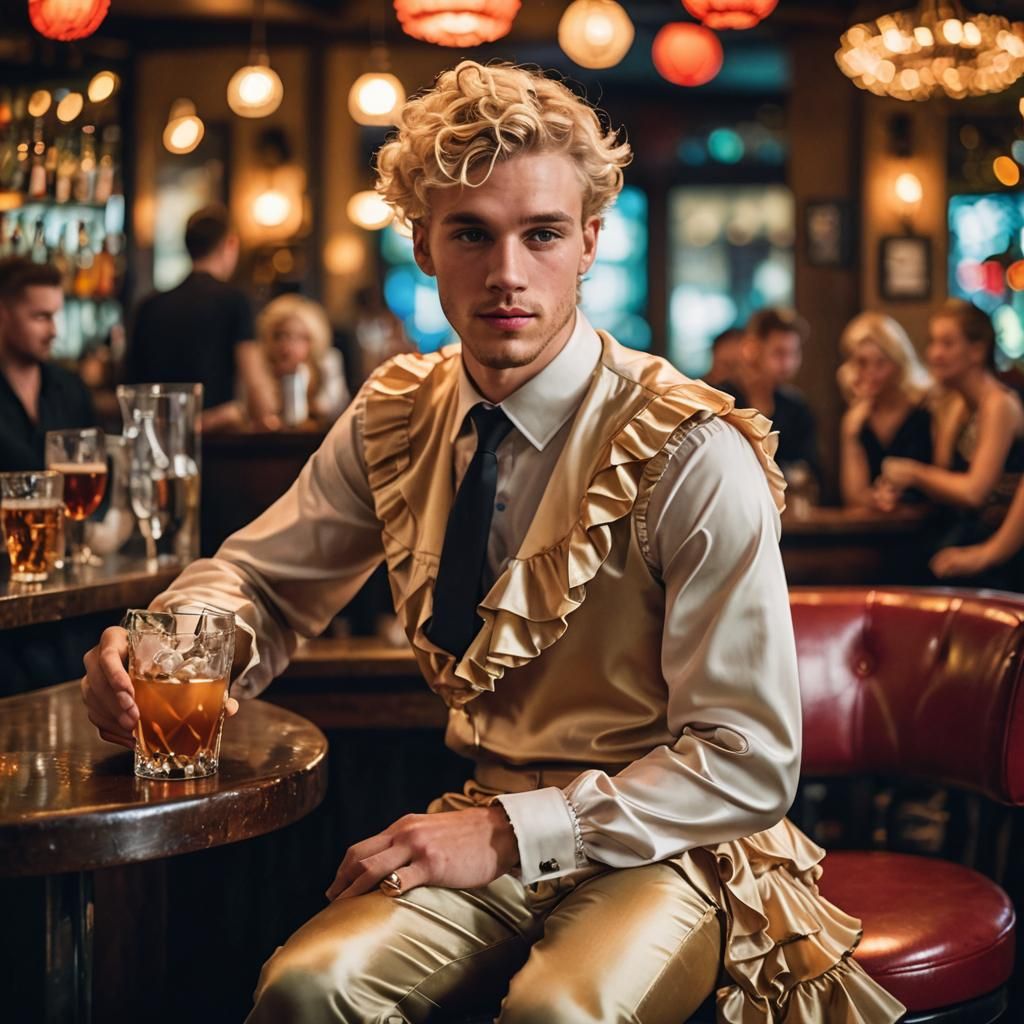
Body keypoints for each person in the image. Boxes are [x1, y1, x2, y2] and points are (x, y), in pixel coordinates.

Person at [81, 62, 903, 1023]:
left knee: (558, 1015)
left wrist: (513, 835)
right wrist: (166, 638)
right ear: (424, 243)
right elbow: (259, 582)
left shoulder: (689, 449)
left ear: (591, 241)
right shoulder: (396, 416)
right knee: (306, 991)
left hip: (674, 851)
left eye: (542, 233)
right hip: (476, 815)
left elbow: (751, 757)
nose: (507, 273)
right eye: (471, 233)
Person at [882, 299, 1024, 587]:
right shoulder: (957, 406)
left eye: (947, 344)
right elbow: (945, 480)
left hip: (1003, 554)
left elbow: (973, 492)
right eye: (932, 342)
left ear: (977, 350)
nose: (934, 353)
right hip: (968, 536)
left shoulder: (999, 404)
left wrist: (913, 473)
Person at [125, 204, 276, 432]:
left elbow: (131, 390)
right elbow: (254, 381)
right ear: (230, 244)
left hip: (157, 439)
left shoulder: (149, 306)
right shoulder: (234, 300)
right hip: (215, 445)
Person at [0, 257, 95, 471]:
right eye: (41, 317)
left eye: (55, 316)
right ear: (3, 315)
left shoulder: (71, 390)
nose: (53, 331)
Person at [836, 311, 933, 508]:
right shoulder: (856, 420)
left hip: (926, 525)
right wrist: (851, 433)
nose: (871, 373)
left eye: (881, 363)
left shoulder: (926, 408)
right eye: (862, 363)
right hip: (877, 528)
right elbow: (853, 498)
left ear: (898, 363)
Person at [719, 307, 821, 484]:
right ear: (751, 349)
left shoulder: (796, 407)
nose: (788, 364)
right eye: (779, 353)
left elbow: (811, 471)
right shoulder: (722, 401)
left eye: (794, 353)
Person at [256, 293, 350, 426]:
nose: (287, 345)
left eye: (297, 337)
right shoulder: (259, 367)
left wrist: (300, 374)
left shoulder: (327, 362)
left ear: (313, 340)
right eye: (280, 336)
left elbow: (333, 407)